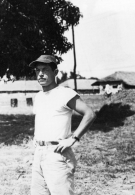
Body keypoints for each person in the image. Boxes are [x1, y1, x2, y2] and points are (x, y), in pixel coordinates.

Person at [29, 55, 96, 195]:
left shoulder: (65, 94)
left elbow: (89, 114)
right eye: (37, 70)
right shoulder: (39, 96)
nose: (40, 74)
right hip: (39, 153)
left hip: (57, 154)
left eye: (45, 70)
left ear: (55, 72)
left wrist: (73, 138)